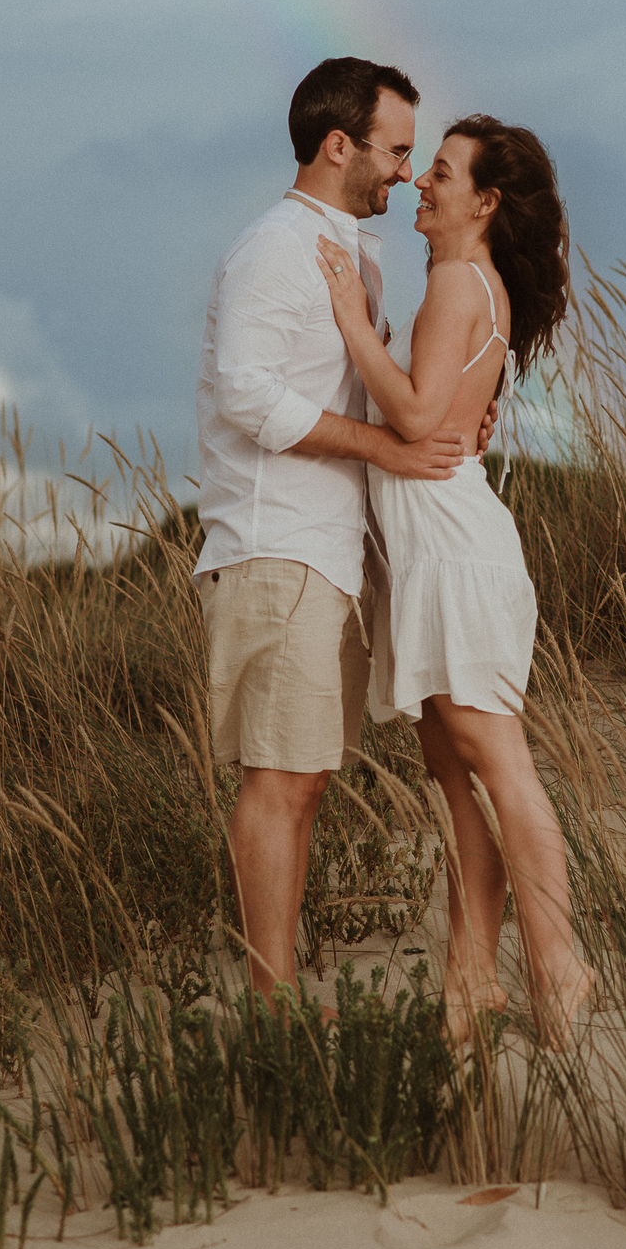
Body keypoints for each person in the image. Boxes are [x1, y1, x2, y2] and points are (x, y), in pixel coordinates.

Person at [193, 57, 478, 1010]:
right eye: (396, 150)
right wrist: (381, 449)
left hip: (333, 551)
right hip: (277, 546)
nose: (406, 171)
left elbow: (375, 389)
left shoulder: (357, 252)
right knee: (282, 781)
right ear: (337, 144)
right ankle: (270, 1014)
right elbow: (246, 393)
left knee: (305, 778)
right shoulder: (277, 245)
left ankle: (276, 996)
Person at [316, 114, 595, 1046]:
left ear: (485, 202)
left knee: (501, 769)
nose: (422, 186)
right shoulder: (473, 287)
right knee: (451, 780)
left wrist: (355, 325)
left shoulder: (451, 282)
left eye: (439, 172)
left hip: (455, 552)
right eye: (424, 168)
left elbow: (417, 412)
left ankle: (562, 970)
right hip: (433, 554)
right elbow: (445, 417)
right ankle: (470, 986)